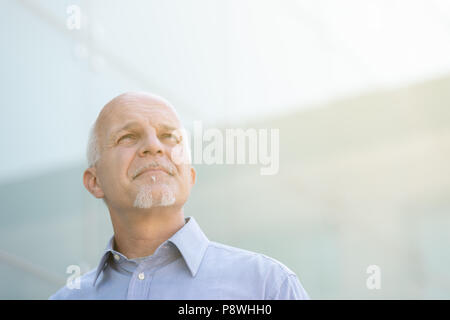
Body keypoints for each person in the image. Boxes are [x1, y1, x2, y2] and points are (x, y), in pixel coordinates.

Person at [50, 92, 310, 299]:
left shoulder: (267, 287)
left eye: (169, 137)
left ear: (190, 177)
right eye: (128, 137)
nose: (154, 146)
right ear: (95, 182)